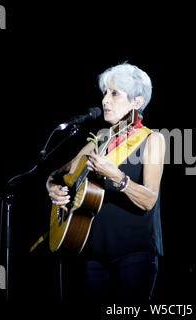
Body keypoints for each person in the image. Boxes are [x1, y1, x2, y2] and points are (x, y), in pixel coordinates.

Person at [46, 63, 165, 302]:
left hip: (135, 253)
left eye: (114, 93)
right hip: (91, 252)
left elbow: (149, 200)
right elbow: (57, 174)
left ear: (137, 102)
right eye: (104, 93)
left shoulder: (152, 139)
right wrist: (52, 188)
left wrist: (117, 178)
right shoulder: (97, 142)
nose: (104, 101)